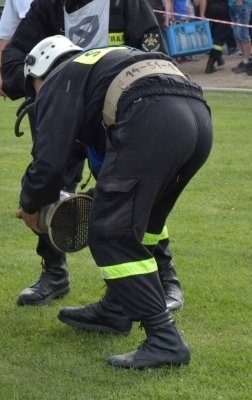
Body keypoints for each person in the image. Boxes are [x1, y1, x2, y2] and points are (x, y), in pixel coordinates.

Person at [1, 0, 183, 312]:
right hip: (65, 120)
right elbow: (16, 54)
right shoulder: (49, 2)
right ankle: (53, 273)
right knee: (50, 189)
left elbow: (156, 56)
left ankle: (165, 277)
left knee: (134, 202)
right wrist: (31, 83)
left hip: (119, 123)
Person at [17, 36, 213, 369]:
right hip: (197, 115)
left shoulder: (58, 82)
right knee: (145, 221)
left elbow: (49, 163)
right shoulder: (101, 63)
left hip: (152, 115)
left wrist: (31, 204)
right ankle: (116, 308)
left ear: (40, 75)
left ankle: (164, 339)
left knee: (109, 231)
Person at [200, 0, 232, 74]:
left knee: (213, 34)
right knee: (220, 36)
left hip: (210, 8)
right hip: (224, 8)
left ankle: (218, 57)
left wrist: (202, 13)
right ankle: (211, 63)